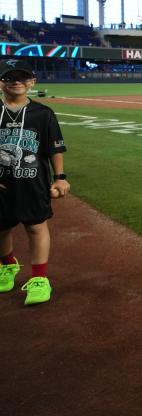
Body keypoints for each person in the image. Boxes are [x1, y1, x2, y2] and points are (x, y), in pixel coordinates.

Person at [0, 59, 70, 306]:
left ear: (32, 82)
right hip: (1, 182)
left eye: (22, 77)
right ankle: (8, 265)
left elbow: (54, 148)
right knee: (1, 228)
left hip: (33, 181)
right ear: (1, 82)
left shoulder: (43, 113)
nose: (16, 81)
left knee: (36, 227)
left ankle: (39, 279)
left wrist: (60, 178)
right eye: (9, 77)